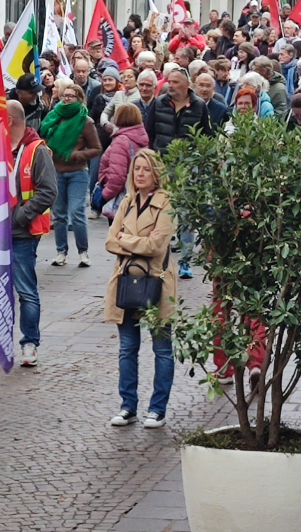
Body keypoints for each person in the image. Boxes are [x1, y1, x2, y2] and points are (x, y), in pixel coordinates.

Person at [0, 100, 55, 367]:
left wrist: (20, 216)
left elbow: (48, 192)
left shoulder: (36, 150)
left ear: (8, 120)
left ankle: (29, 343)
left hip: (21, 233)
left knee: (25, 290)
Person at [104, 149, 177, 428]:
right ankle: (128, 406)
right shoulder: (127, 201)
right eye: (137, 169)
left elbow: (156, 246)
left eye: (146, 169)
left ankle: (157, 409)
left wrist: (126, 239)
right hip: (126, 282)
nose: (141, 174)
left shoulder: (166, 203)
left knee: (162, 349)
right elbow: (110, 241)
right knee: (127, 349)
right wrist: (138, 241)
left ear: (156, 173)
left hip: (157, 281)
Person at [42, 83, 101, 268]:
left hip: (77, 173)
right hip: (56, 171)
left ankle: (83, 252)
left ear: (79, 99)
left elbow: (97, 148)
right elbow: (43, 135)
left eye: (71, 96)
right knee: (59, 215)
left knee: (76, 212)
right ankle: (61, 252)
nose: (66, 99)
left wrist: (77, 155)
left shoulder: (85, 121)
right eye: (64, 95)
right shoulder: (53, 116)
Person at [97, 104, 149, 215]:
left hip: (121, 198)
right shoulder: (142, 137)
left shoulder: (121, 141)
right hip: (137, 194)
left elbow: (117, 176)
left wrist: (105, 195)